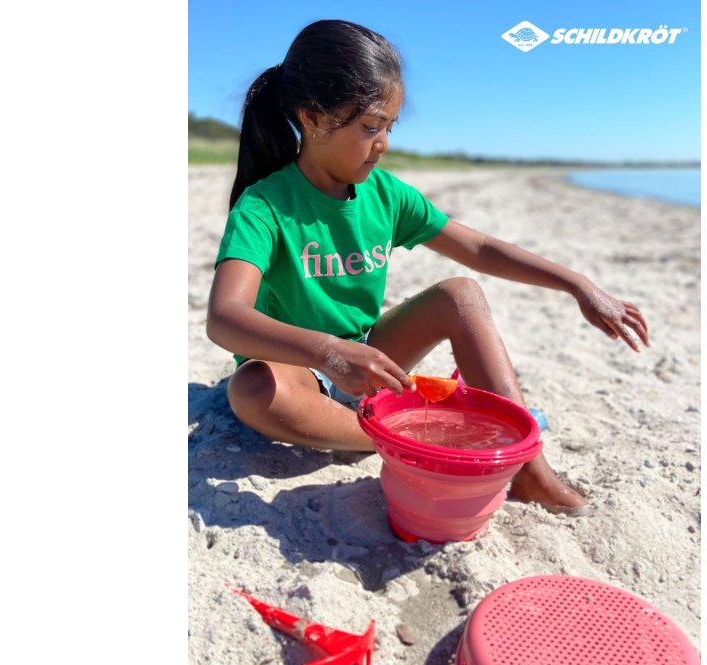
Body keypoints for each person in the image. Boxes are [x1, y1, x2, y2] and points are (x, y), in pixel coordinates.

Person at [206, 19, 649, 513]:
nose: (383, 143)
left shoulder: (387, 195)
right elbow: (225, 317)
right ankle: (407, 440)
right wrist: (328, 353)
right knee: (251, 391)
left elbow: (478, 248)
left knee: (460, 294)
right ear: (313, 118)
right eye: (371, 127)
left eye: (389, 127)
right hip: (297, 370)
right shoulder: (265, 206)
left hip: (371, 358)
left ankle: (528, 469)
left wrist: (577, 284)